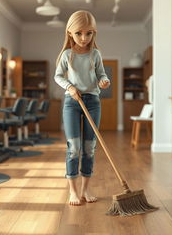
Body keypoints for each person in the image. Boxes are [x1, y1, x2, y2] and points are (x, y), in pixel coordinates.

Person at [54, 10, 110, 206]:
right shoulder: (66, 55)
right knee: (74, 148)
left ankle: (86, 189)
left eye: (89, 33)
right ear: (70, 33)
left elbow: (101, 74)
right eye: (79, 33)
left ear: (94, 33)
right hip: (72, 102)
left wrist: (104, 81)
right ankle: (73, 192)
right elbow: (58, 76)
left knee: (89, 148)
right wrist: (70, 87)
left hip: (93, 102)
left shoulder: (96, 54)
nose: (84, 38)